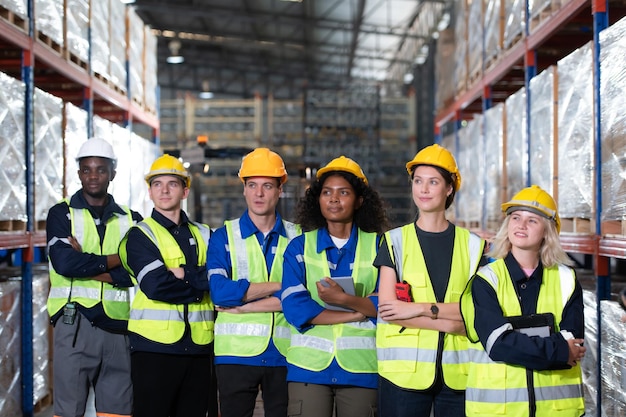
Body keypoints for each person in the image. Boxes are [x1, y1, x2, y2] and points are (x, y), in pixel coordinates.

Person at [375, 144, 486, 417]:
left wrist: (417, 308)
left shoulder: (473, 246)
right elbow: (388, 311)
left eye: (433, 182)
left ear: (449, 189)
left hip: (458, 373)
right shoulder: (394, 242)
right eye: (418, 181)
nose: (423, 189)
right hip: (403, 375)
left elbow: (478, 313)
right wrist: (452, 322)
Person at [460, 185, 586, 417]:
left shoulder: (566, 279)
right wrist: (557, 350)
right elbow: (498, 345)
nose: (521, 225)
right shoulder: (486, 280)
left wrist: (516, 342)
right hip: (499, 411)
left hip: (556, 411)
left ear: (547, 231)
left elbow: (573, 345)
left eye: (532, 220)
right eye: (515, 217)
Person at [281, 156, 389, 417]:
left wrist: (343, 299)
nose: (333, 199)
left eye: (343, 192)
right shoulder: (299, 247)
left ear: (359, 200)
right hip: (309, 369)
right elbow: (295, 309)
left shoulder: (380, 246)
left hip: (362, 370)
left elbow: (386, 305)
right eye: (327, 192)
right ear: (317, 200)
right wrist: (358, 311)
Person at [46, 137, 141, 417]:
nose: (93, 176)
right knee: (69, 409)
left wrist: (87, 263)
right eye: (86, 169)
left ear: (113, 172)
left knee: (119, 410)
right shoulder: (61, 213)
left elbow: (137, 271)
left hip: (118, 327)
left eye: (101, 169)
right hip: (74, 323)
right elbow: (64, 263)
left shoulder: (131, 219)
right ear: (79, 173)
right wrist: (117, 259)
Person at [118, 154, 215, 417]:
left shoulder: (206, 234)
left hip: (199, 346)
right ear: (149, 192)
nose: (164, 190)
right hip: (154, 349)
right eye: (157, 184)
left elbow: (221, 279)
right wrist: (201, 283)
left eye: (172, 184)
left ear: (185, 190)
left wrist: (184, 274)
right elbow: (156, 286)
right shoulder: (139, 236)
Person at [207, 147, 301, 417]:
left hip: (286, 353)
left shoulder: (298, 237)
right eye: (252, 185)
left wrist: (244, 304)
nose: (259, 194)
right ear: (244, 189)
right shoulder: (224, 236)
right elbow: (220, 293)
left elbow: (302, 298)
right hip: (235, 355)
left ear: (280, 190)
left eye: (267, 186)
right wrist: (278, 285)